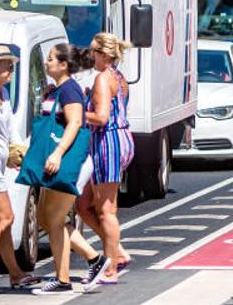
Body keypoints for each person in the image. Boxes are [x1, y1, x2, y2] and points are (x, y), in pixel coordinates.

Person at [31, 44, 94, 295]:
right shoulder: (59, 89)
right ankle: (93, 261)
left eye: (50, 59)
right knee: (47, 219)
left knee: (54, 219)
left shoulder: (69, 89)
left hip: (68, 161)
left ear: (63, 65)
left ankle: (64, 278)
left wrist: (57, 153)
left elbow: (76, 122)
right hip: (57, 161)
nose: (46, 63)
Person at [73, 33, 135, 286]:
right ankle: (116, 252)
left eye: (93, 52)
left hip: (107, 141)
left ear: (104, 54)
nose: (90, 57)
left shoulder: (102, 77)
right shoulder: (118, 78)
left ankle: (110, 268)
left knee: (107, 210)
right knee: (84, 205)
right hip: (118, 140)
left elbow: (100, 117)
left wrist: (75, 113)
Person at [0, 45, 38, 289]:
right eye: (6, 64)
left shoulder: (4, 94)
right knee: (6, 217)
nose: (11, 68)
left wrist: (18, 152)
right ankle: (15, 273)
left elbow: (10, 129)